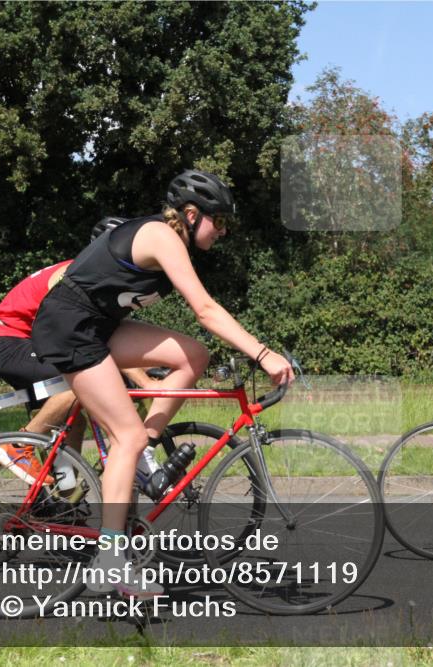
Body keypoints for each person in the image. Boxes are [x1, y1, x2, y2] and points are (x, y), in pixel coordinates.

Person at [30, 169, 294, 597]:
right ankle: (110, 564)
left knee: (193, 356)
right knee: (126, 434)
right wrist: (262, 353)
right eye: (218, 221)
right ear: (191, 214)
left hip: (96, 325)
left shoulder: (170, 238)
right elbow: (205, 310)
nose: (222, 231)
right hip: (71, 328)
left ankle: (139, 449)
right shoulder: (161, 236)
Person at [0, 247, 157, 486]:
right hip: (9, 341)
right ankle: (18, 446)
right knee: (75, 385)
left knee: (74, 422)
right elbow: (95, 338)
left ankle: (65, 500)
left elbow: (107, 336)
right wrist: (145, 381)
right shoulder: (78, 273)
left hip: (27, 341)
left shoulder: (91, 273)